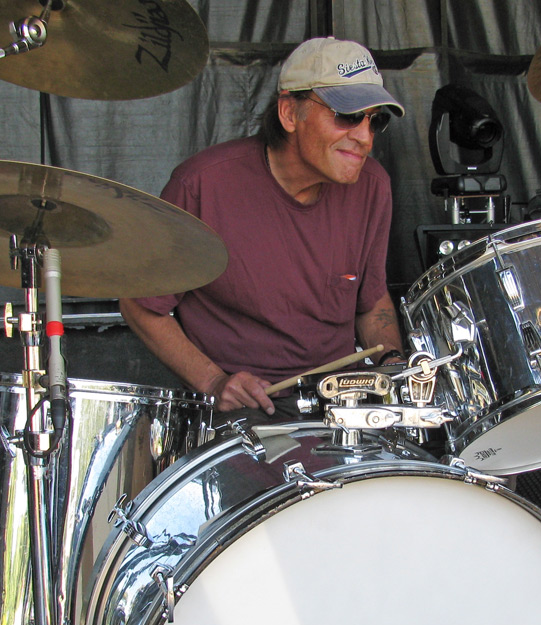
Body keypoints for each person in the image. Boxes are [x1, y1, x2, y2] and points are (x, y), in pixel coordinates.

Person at [120, 36, 407, 419]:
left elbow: (371, 303)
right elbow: (140, 305)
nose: (364, 137)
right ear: (290, 113)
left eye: (376, 120)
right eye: (348, 115)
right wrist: (213, 382)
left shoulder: (373, 186)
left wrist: (394, 365)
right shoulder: (203, 185)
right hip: (245, 413)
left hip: (344, 408)